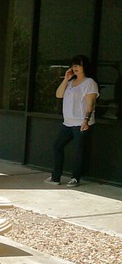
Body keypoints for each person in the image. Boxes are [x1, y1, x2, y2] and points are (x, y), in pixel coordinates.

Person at [45, 55, 99, 187]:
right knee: (57, 146)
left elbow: (90, 104)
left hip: (81, 122)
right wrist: (66, 79)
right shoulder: (70, 83)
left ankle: (75, 177)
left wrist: (86, 121)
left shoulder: (89, 82)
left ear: (84, 67)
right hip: (68, 122)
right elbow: (59, 95)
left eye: (78, 65)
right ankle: (56, 177)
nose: (75, 68)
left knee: (79, 150)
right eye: (73, 65)